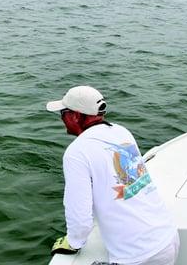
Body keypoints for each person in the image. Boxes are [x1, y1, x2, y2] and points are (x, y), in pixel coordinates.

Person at [46, 86, 179, 265]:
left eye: (63, 113)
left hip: (137, 256)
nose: (62, 119)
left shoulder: (76, 153)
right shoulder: (121, 131)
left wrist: (73, 242)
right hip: (168, 239)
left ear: (76, 115)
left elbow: (80, 216)